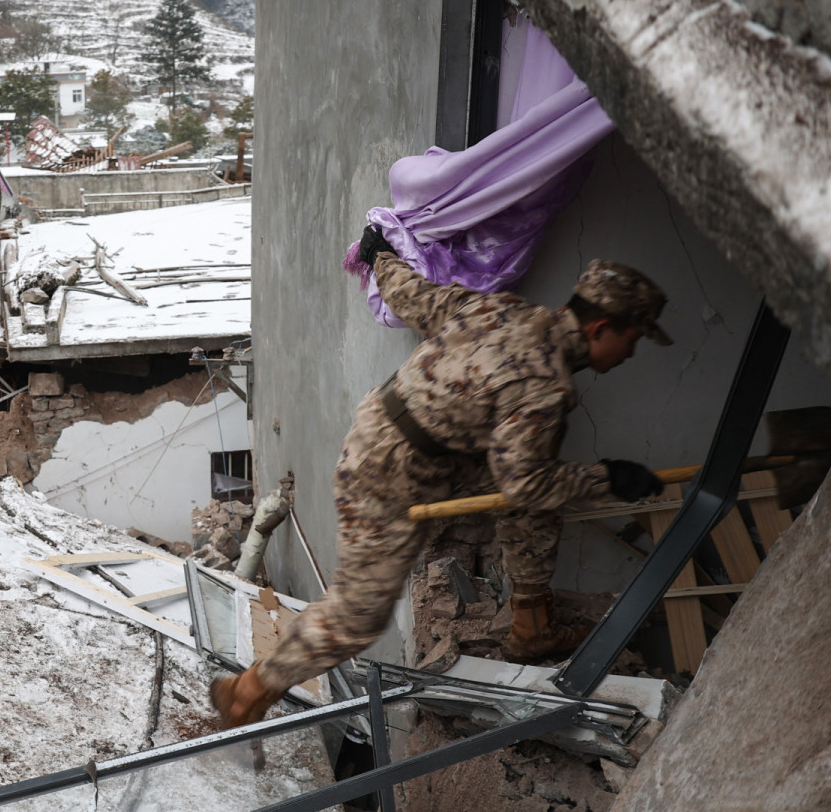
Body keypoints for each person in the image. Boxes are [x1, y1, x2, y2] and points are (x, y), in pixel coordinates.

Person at [211, 233, 672, 728]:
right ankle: (249, 690)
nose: (630, 353)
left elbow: (416, 297)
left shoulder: (503, 311)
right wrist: (607, 477)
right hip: (389, 474)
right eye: (633, 339)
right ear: (602, 328)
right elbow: (524, 482)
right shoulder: (543, 388)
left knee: (539, 488)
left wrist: (378, 257)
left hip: (394, 433)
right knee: (361, 614)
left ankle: (530, 622)